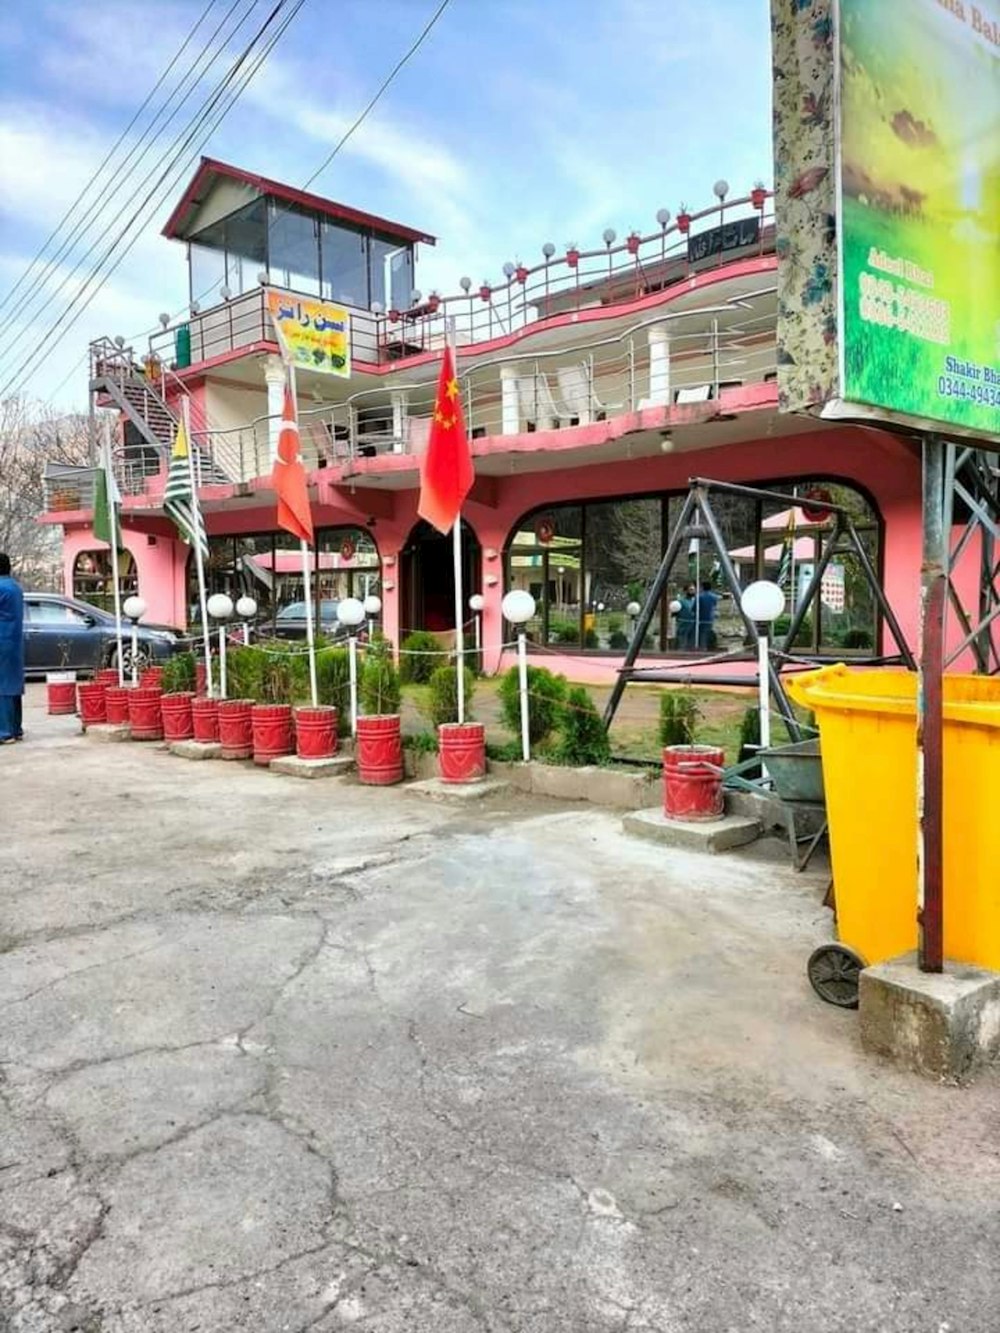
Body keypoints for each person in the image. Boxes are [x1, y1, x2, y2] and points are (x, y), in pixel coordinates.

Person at [0, 554, 24, 743]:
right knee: (13, 683)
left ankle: (4, 731)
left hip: (2, 639)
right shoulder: (15, 587)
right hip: (14, 640)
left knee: (3, 686)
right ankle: (16, 728)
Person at [696, 579, 720, 651]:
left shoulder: (699, 597)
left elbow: (695, 607)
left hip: (701, 618)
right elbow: (715, 606)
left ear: (702, 587)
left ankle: (703, 647)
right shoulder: (714, 597)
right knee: (708, 632)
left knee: (702, 633)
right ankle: (710, 646)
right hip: (710, 618)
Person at [675, 583, 697, 650]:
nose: (693, 591)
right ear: (686, 591)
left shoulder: (696, 601)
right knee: (682, 645)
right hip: (683, 627)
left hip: (693, 627)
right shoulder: (680, 602)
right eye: (690, 589)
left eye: (693, 589)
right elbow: (675, 613)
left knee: (692, 645)